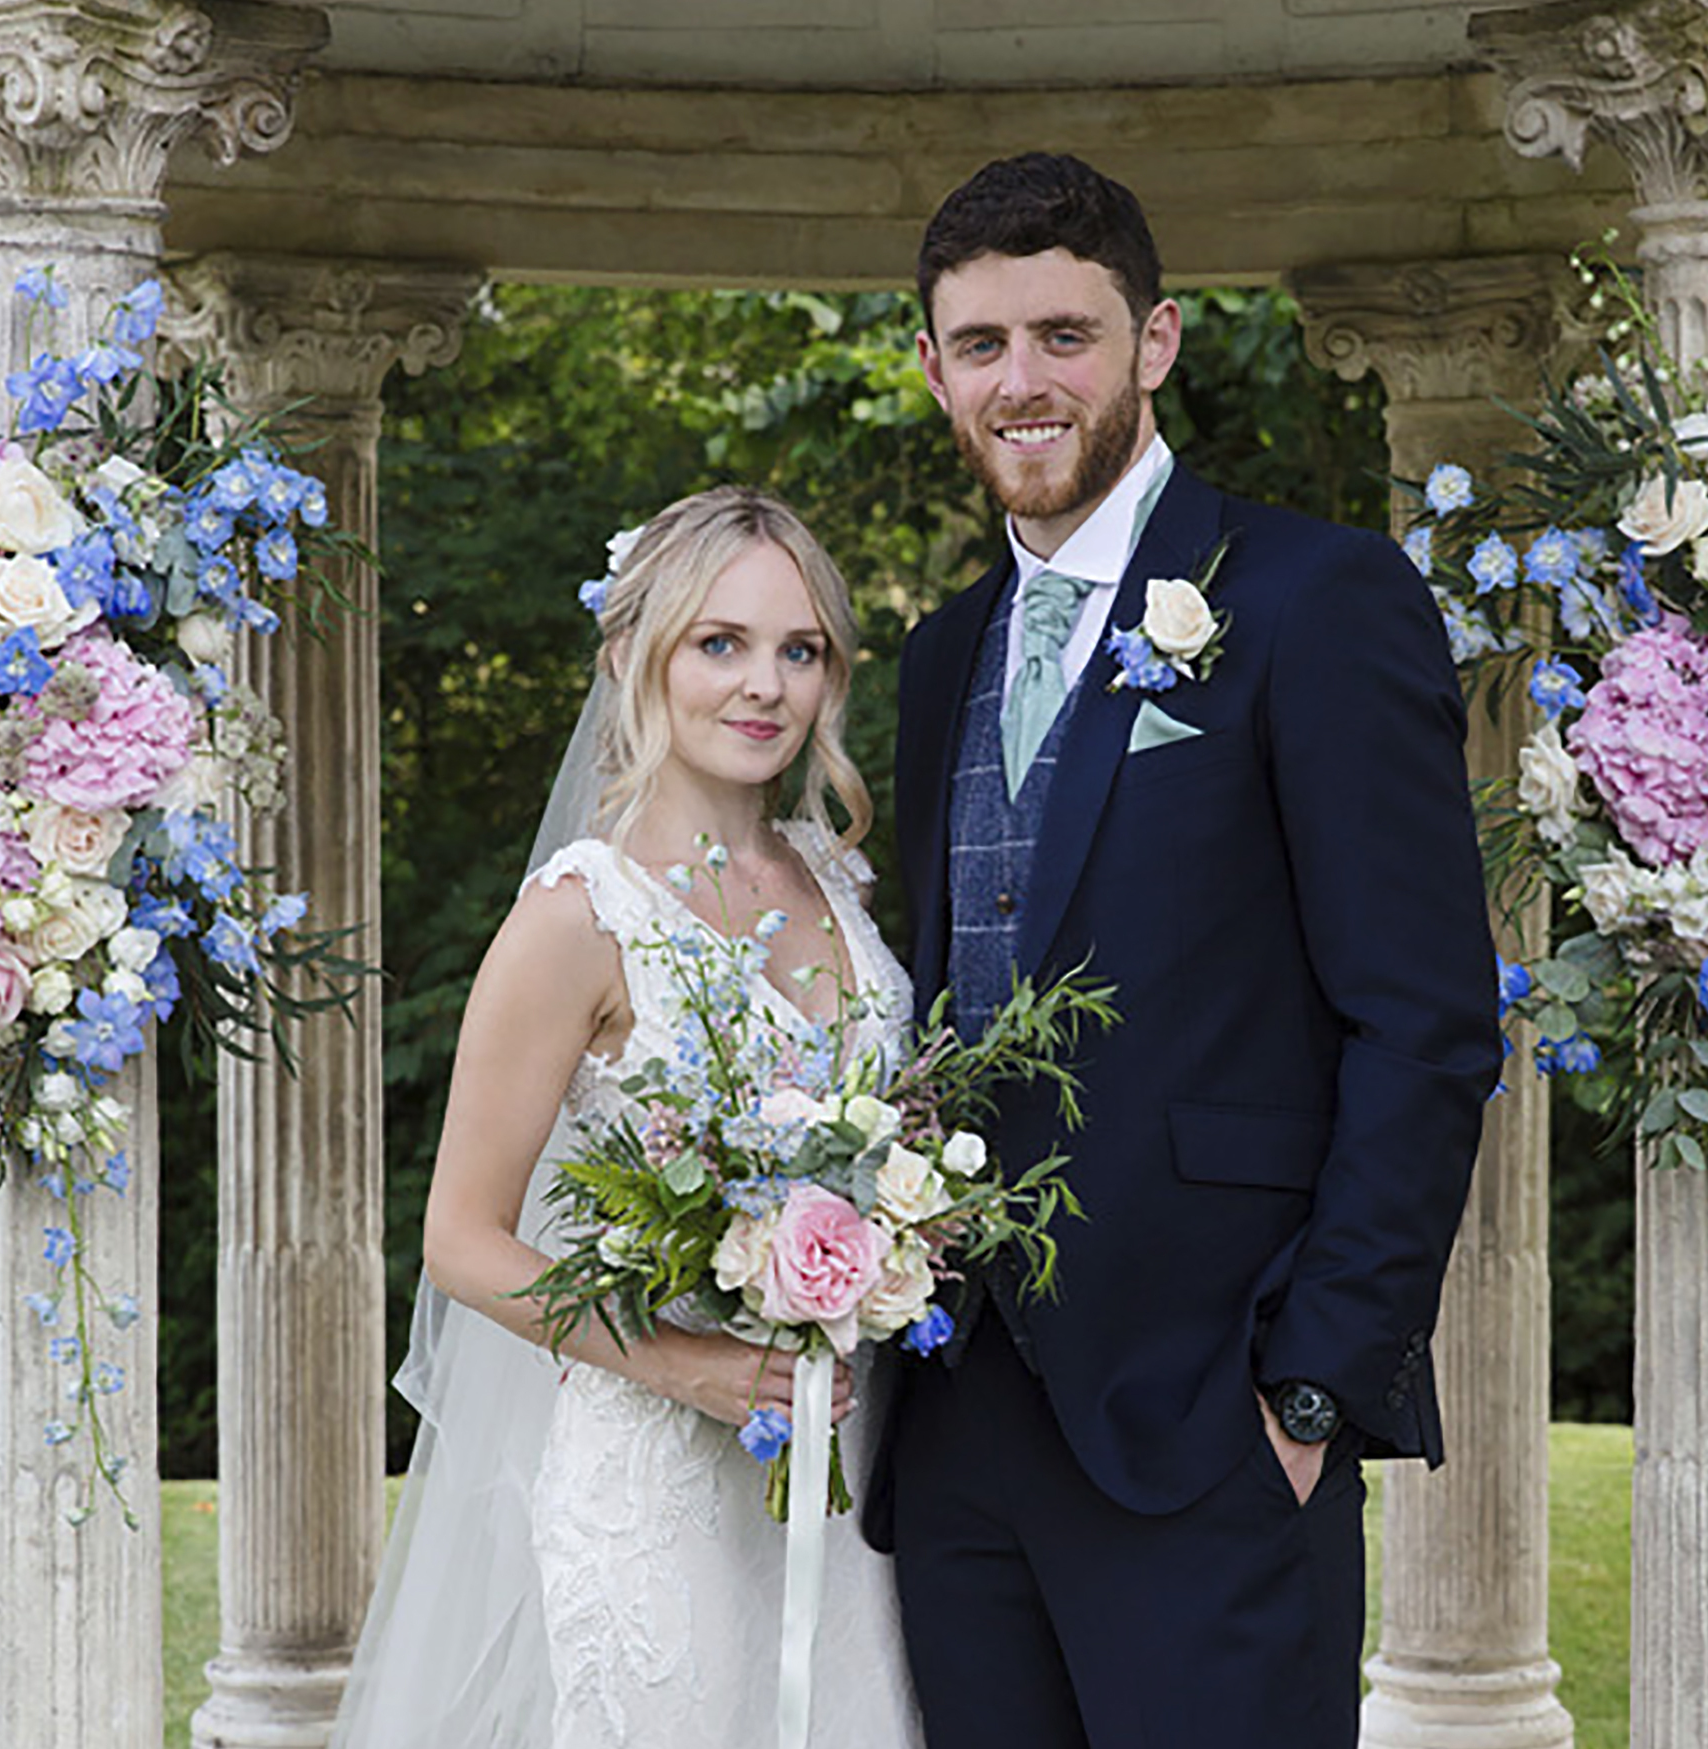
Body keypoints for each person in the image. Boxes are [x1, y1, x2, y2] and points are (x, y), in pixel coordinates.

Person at [872, 152, 1501, 1747]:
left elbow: (1424, 1024)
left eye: (1064, 336)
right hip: (957, 1429)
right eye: (982, 344)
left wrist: (1311, 1392)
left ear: (1154, 343)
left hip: (1213, 1417)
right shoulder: (940, 654)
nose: (1023, 382)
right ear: (933, 365)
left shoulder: (1314, 597)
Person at [330, 487, 923, 1748]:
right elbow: (463, 1239)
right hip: (655, 1476)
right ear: (632, 657)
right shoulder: (578, 917)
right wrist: (683, 1363)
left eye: (798, 650)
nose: (762, 684)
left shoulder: (837, 879)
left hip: (844, 1463)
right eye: (720, 643)